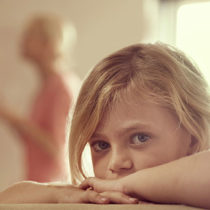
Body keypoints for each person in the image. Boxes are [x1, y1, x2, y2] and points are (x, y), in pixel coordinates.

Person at [0, 42, 210, 208]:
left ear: (193, 138)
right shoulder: (102, 198)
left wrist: (123, 184)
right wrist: (60, 194)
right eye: (101, 145)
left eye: (140, 138)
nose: (116, 163)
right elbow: (8, 198)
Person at [0, 14, 79, 182]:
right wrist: (8, 117)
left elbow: (58, 148)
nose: (22, 41)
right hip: (40, 182)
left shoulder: (62, 87)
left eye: (30, 35)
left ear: (48, 44)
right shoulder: (47, 86)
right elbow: (34, 140)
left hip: (52, 187)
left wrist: (15, 119)